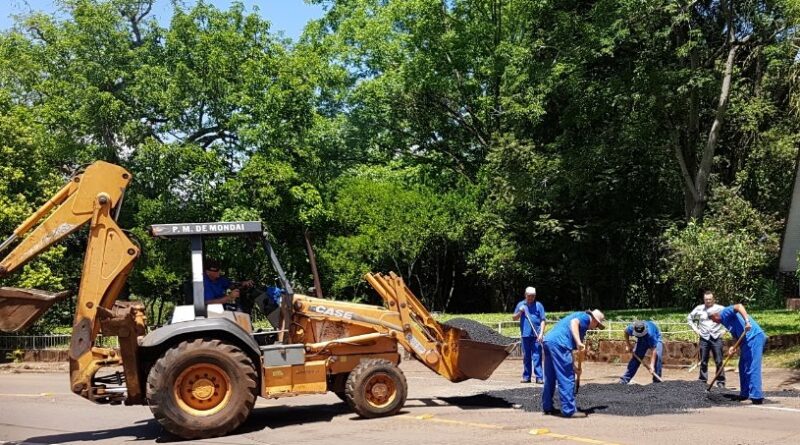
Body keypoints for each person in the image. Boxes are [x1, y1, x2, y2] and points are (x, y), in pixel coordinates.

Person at [541, 309, 606, 418]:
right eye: (597, 325)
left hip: (550, 341)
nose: (595, 328)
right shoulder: (585, 318)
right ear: (594, 320)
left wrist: (575, 368)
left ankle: (547, 407)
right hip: (560, 344)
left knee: (550, 376)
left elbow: (568, 349)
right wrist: (579, 342)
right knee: (567, 377)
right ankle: (569, 410)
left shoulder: (581, 324)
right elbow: (574, 323)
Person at [708, 304, 766, 404]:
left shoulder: (724, 312)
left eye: (712, 318)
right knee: (742, 366)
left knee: (752, 366)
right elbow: (737, 334)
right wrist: (733, 347)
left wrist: (747, 321)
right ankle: (745, 394)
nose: (712, 321)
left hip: (754, 337)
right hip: (746, 341)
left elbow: (739, 306)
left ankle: (756, 396)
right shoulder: (724, 321)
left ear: (715, 314)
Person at [687, 291, 725, 388]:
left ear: (713, 299)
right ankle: (702, 381)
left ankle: (721, 382)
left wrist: (725, 330)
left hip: (716, 337)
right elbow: (689, 318)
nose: (708, 301)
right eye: (706, 299)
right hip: (704, 338)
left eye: (710, 299)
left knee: (719, 361)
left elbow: (730, 318)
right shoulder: (699, 309)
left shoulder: (720, 308)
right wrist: (696, 330)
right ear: (704, 300)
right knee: (703, 361)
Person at [512, 287, 546, 384]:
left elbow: (543, 320)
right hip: (525, 335)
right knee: (526, 356)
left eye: (533, 296)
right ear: (525, 295)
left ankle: (539, 377)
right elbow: (514, 318)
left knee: (537, 356)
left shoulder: (539, 305)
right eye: (529, 296)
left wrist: (541, 334)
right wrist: (520, 312)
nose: (531, 298)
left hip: (536, 336)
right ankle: (526, 376)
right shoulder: (521, 305)